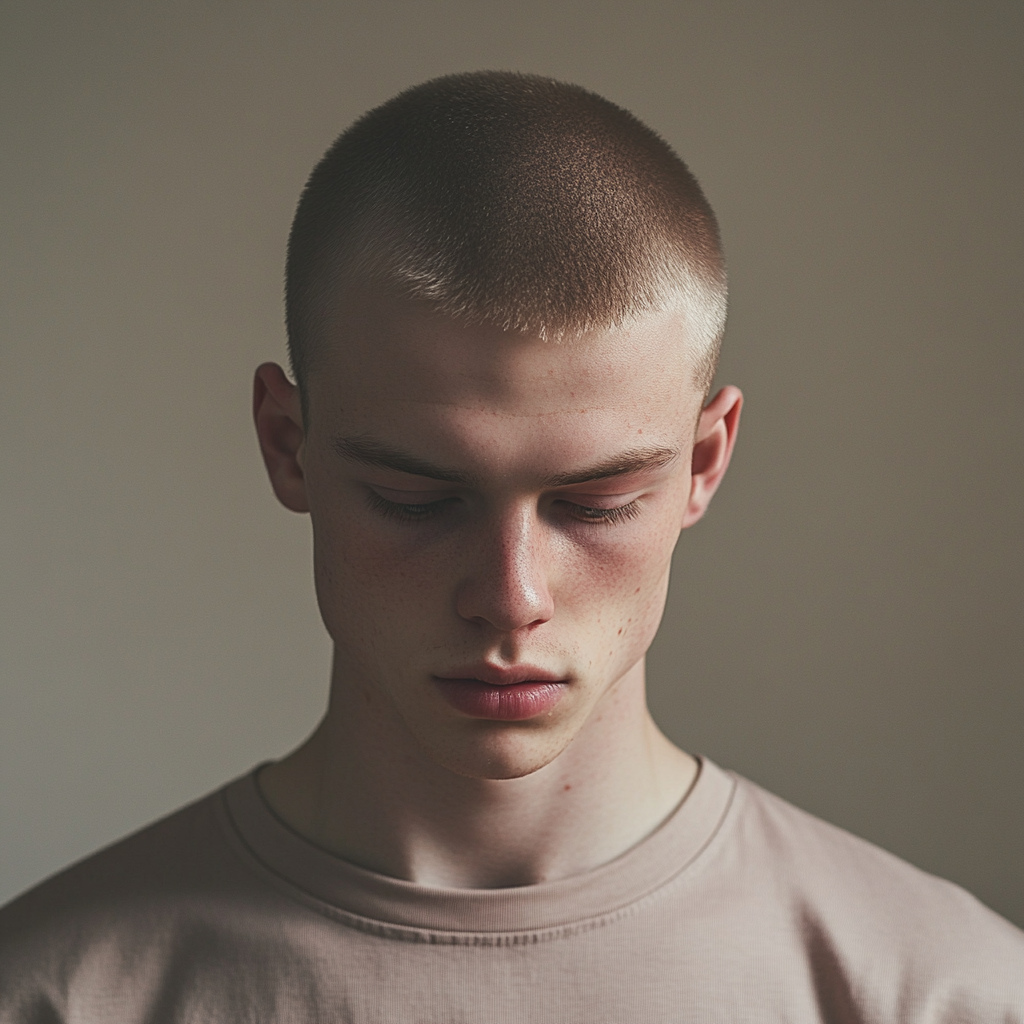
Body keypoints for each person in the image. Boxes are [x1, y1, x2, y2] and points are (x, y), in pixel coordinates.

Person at [1, 71, 1020, 1024]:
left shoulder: (945, 992)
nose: (509, 594)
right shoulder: (53, 990)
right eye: (414, 497)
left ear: (704, 461)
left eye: (596, 502)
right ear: (286, 444)